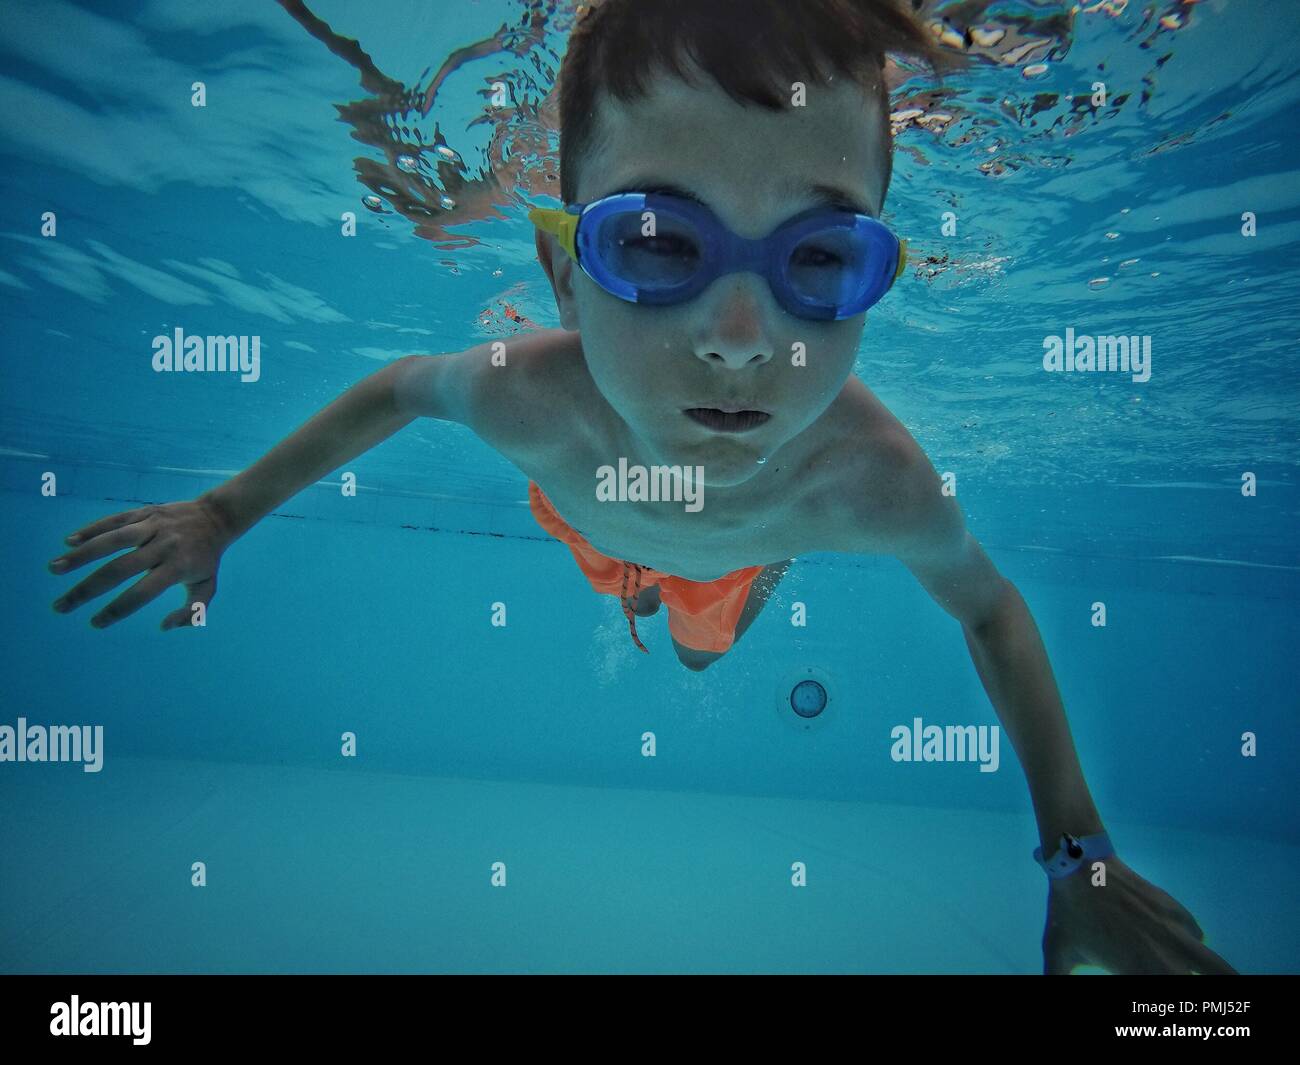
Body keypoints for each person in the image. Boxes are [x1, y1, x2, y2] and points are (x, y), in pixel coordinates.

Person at [46, 0, 1235, 975]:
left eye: (820, 258)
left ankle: (723, 587)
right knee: (618, 575)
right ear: (564, 268)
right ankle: (649, 583)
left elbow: (989, 609)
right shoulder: (525, 396)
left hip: (740, 546)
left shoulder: (868, 479)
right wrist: (221, 512)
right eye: (659, 244)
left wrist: (1077, 857)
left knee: (704, 641)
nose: (735, 339)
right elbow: (399, 387)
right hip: (579, 505)